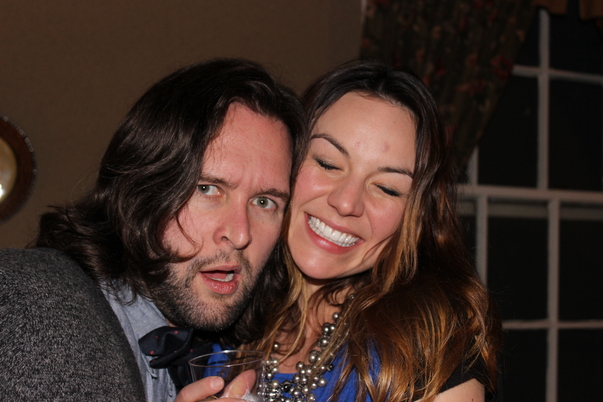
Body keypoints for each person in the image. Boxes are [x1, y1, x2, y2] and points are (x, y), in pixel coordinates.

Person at [0, 58, 306, 401]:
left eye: (264, 202)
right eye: (207, 189)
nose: (240, 234)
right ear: (143, 190)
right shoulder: (34, 302)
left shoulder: (221, 353)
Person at [246, 59, 502, 402]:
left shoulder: (428, 342)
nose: (346, 202)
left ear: (415, 217)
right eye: (327, 163)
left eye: (387, 188)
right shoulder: (224, 307)